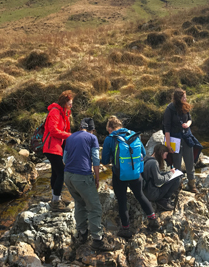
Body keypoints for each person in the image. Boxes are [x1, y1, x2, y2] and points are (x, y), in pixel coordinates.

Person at [62, 118, 120, 251]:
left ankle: (82, 233)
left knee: (79, 203)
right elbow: (95, 159)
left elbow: (64, 159)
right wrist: (97, 178)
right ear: (92, 130)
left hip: (68, 176)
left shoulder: (70, 138)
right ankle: (97, 240)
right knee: (94, 207)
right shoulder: (92, 138)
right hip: (82, 176)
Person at [102, 116, 160, 238]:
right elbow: (143, 154)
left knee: (122, 201)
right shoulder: (133, 135)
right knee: (140, 195)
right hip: (135, 173)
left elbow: (105, 160)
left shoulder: (110, 138)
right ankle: (153, 220)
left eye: (108, 130)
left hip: (119, 175)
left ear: (110, 128)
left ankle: (126, 229)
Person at [163, 89, 203, 193]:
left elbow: (190, 119)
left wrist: (188, 124)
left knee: (190, 162)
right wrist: (168, 145)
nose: (186, 99)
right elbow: (166, 128)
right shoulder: (169, 109)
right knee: (176, 164)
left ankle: (192, 185)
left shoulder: (185, 106)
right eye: (184, 97)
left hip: (187, 138)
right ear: (178, 98)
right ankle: (178, 186)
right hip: (175, 140)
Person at [44, 90, 74, 211]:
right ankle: (56, 202)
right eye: (70, 103)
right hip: (52, 147)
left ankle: (55, 198)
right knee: (62, 173)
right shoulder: (55, 112)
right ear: (64, 103)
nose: (72, 105)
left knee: (56, 173)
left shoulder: (64, 113)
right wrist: (69, 136)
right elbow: (53, 130)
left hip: (55, 147)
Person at [142, 144, 183, 211]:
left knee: (172, 176)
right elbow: (158, 181)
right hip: (152, 194)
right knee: (177, 178)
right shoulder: (154, 163)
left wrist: (168, 172)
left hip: (146, 191)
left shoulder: (147, 159)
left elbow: (155, 176)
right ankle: (163, 200)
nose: (165, 158)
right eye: (165, 155)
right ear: (161, 153)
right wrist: (171, 173)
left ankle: (163, 199)